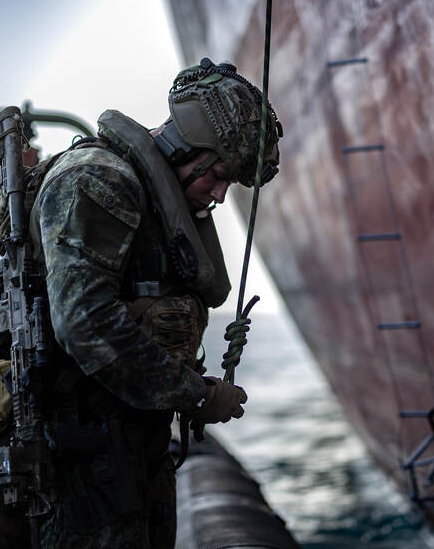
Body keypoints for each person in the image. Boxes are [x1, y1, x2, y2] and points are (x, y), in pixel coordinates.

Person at [30, 57, 282, 548]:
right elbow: (85, 324)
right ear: (187, 149)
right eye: (217, 175)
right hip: (81, 456)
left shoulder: (152, 202)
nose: (220, 194)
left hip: (127, 447)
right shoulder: (99, 180)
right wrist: (196, 394)